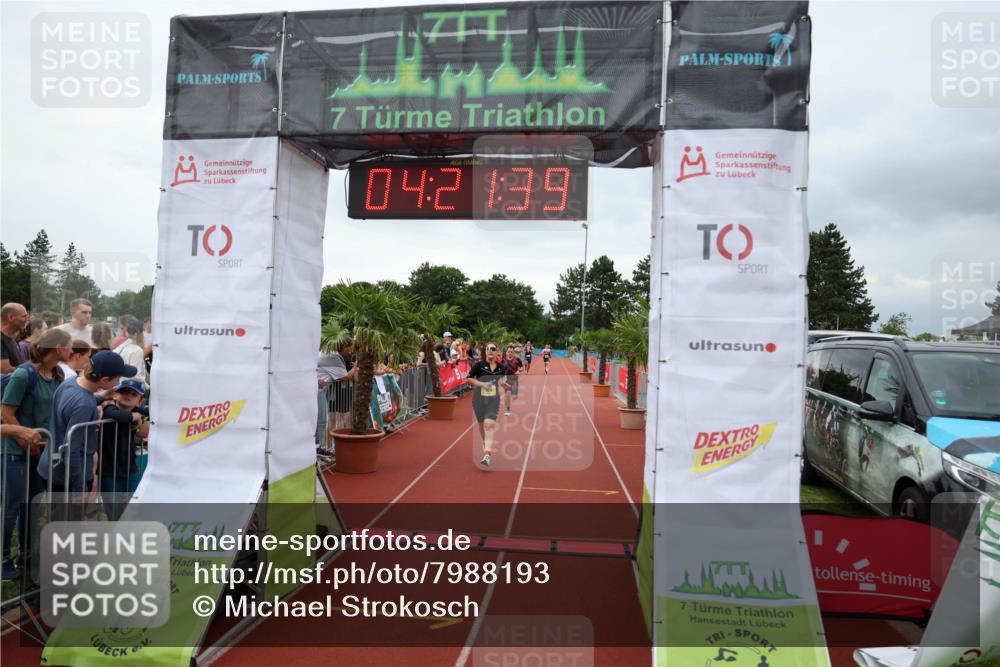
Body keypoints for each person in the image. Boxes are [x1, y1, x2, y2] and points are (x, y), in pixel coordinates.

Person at [1, 328, 71, 580]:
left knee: (31, 505)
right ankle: (3, 559)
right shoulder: (24, 374)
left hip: (40, 451)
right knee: (12, 507)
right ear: (58, 349)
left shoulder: (58, 375)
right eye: (69, 346)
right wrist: (25, 442)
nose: (72, 350)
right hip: (15, 451)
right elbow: (6, 412)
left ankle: (26, 556)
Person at [37, 351, 137, 496]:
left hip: (51, 468)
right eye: (118, 378)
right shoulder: (84, 405)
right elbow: (71, 449)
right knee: (66, 518)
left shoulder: (69, 383)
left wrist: (99, 397)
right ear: (105, 380)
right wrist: (79, 489)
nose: (118, 383)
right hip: (69, 478)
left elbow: (73, 408)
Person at [99, 379, 149, 520]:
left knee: (139, 504)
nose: (128, 396)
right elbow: (121, 417)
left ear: (140, 401)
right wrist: (139, 416)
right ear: (115, 395)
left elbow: (152, 410)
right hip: (109, 471)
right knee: (116, 512)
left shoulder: (136, 409)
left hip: (130, 467)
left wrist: (141, 416)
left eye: (134, 395)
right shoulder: (109, 409)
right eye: (125, 392)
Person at [466, 342, 506, 467]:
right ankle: (485, 442)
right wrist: (482, 384)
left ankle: (487, 454)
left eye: (492, 349)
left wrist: (505, 383)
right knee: (482, 426)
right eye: (488, 349)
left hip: (494, 399)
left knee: (489, 425)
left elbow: (503, 379)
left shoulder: (501, 367)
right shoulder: (479, 365)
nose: (490, 351)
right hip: (478, 399)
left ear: (496, 351)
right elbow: (469, 378)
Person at [113, 315, 147, 386]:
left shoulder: (128, 345)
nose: (122, 333)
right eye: (121, 329)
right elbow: (135, 376)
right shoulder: (134, 349)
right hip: (126, 386)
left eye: (122, 329)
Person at [1, 303, 29, 373]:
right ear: (10, 317)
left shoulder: (12, 337)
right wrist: (32, 369)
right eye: (24, 316)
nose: (27, 319)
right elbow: (5, 370)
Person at [501, 345, 523, 416]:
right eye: (508, 352)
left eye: (511, 352)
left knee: (514, 397)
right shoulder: (503, 360)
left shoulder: (517, 359)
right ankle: (508, 410)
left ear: (513, 352)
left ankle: (514, 394)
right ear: (506, 352)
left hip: (514, 381)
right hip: (506, 380)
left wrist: (519, 371)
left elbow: (522, 368)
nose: (510, 353)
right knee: (507, 395)